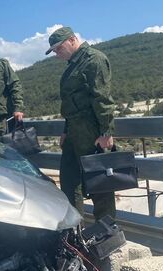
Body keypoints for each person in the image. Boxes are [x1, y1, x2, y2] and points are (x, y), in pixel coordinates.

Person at [46, 26, 116, 221]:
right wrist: (66, 130)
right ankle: (75, 230)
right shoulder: (72, 65)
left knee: (99, 183)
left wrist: (106, 132)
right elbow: (70, 102)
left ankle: (107, 230)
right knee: (69, 181)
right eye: (54, 51)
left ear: (72, 40)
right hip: (74, 131)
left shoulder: (94, 59)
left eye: (59, 48)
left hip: (91, 130)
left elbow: (102, 98)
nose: (57, 53)